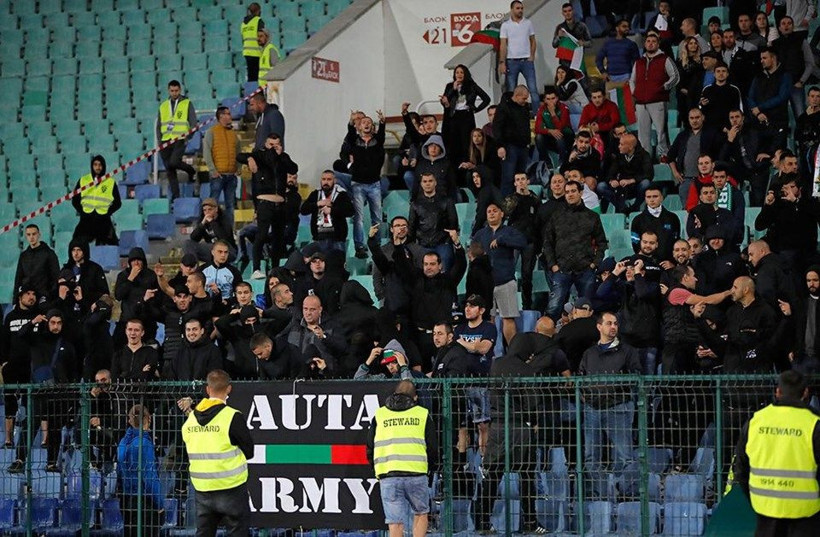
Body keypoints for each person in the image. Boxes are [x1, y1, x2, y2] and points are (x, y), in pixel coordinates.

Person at [733, 370, 820, 537]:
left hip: (765, 511)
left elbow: (741, 469)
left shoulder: (756, 421)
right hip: (806, 515)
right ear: (805, 393)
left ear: (778, 391)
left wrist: (757, 498)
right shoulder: (814, 424)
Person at [182, 370, 254, 537]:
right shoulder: (232, 416)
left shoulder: (191, 420)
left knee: (204, 533)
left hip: (203, 489)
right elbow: (249, 451)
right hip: (231, 487)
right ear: (229, 389)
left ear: (208, 389)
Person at [367, 380, 437, 537]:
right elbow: (432, 447)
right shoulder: (422, 414)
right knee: (421, 513)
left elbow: (370, 447)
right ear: (415, 397)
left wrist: (377, 470)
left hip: (388, 475)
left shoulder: (380, 415)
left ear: (394, 394)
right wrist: (429, 469)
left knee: (395, 522)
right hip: (417, 473)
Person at [577, 311, 640, 478]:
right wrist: (587, 398)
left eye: (615, 324)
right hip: (592, 409)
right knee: (591, 456)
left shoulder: (628, 351)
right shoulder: (589, 353)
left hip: (618, 407)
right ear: (599, 326)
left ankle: (625, 491)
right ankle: (597, 490)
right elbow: (581, 377)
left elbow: (636, 376)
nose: (613, 327)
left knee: (624, 455)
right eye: (609, 323)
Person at [543, 180, 609, 321]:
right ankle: (548, 333)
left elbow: (602, 243)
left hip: (586, 270)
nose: (570, 194)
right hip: (561, 270)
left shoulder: (592, 217)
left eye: (573, 191)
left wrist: (595, 264)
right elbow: (547, 243)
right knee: (553, 309)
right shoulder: (556, 216)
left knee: (587, 309)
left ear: (581, 193)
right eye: (567, 192)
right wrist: (553, 265)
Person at [473, 202, 528, 344]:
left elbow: (523, 242)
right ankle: (489, 352)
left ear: (502, 214)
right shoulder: (480, 234)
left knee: (508, 318)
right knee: (487, 319)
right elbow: (472, 254)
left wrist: (502, 240)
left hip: (505, 281)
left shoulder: (509, 231)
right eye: (489, 211)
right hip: (486, 283)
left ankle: (513, 351)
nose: (491, 213)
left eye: (495, 211)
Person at [631, 32, 680, 162]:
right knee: (643, 133)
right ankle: (645, 158)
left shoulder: (665, 59)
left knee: (661, 132)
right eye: (648, 41)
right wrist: (635, 92)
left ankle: (663, 156)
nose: (651, 43)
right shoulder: (639, 62)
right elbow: (632, 80)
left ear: (658, 44)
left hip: (658, 101)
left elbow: (675, 76)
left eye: (654, 41)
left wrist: (664, 87)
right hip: (640, 103)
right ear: (645, 44)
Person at [344, 111, 387, 259]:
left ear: (373, 127)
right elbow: (350, 134)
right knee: (359, 217)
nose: (366, 124)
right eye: (363, 122)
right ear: (359, 127)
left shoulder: (377, 141)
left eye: (369, 122)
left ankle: (377, 244)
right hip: (358, 184)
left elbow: (382, 134)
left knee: (377, 217)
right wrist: (351, 121)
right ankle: (359, 246)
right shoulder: (354, 141)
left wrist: (382, 122)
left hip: (374, 184)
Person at [118, 405, 164, 537]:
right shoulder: (144, 444)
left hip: (127, 500)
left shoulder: (123, 443)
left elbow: (119, 473)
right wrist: (160, 505)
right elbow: (150, 478)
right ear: (149, 419)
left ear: (130, 420)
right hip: (144, 502)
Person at [440, 64, 490, 167]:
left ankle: (467, 164)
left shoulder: (472, 85)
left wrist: (476, 109)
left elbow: (486, 99)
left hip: (466, 116)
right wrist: (454, 89)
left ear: (465, 74)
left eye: (461, 72)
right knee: (454, 142)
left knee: (466, 142)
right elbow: (445, 102)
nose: (459, 74)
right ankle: (455, 167)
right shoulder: (450, 86)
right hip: (453, 116)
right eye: (457, 72)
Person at [408, 173, 459, 272]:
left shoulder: (447, 201)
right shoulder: (415, 204)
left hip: (443, 244)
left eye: (430, 181)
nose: (428, 184)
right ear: (421, 184)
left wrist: (448, 240)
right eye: (425, 181)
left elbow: (453, 223)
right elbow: (412, 226)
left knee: (445, 274)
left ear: (435, 183)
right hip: (423, 245)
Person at [156, 80, 197, 200]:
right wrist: (159, 142)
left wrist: (188, 136)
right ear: (168, 91)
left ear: (180, 90)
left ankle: (191, 171)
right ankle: (176, 196)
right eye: (172, 91)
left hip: (180, 139)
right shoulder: (163, 105)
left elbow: (193, 122)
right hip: (165, 140)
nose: (174, 93)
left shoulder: (187, 103)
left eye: (176, 90)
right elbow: (159, 125)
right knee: (170, 170)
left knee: (174, 162)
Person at [499, 0, 539, 116]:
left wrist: (532, 56)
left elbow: (533, 41)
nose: (520, 10)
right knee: (511, 91)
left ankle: (537, 116)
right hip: (511, 61)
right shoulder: (505, 25)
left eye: (521, 8)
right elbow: (503, 45)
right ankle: (513, 115)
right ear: (512, 10)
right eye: (517, 8)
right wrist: (502, 62)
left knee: (533, 89)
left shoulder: (528, 23)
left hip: (527, 61)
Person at [203, 106, 241, 229]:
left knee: (230, 205)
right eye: (228, 114)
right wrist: (213, 170)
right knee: (212, 205)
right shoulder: (211, 132)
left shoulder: (233, 134)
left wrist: (238, 167)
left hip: (231, 175)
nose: (230, 116)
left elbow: (238, 152)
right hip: (218, 175)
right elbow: (207, 152)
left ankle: (229, 230)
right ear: (221, 116)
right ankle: (211, 228)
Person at [748, 47, 792, 151]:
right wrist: (758, 113)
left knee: (777, 154)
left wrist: (760, 108)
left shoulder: (785, 75)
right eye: (761, 58)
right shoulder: (758, 76)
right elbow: (750, 97)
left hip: (778, 122)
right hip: (760, 123)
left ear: (773, 58)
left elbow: (781, 97)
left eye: (764, 58)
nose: (761, 61)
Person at [300, 169, 355, 253]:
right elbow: (303, 210)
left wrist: (332, 210)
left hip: (337, 238)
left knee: (337, 261)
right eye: (323, 179)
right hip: (319, 237)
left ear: (334, 181)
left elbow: (350, 211)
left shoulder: (341, 194)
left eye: (329, 179)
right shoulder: (315, 193)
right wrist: (317, 204)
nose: (326, 182)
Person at [598, 132, 653, 213]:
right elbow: (611, 172)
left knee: (646, 183)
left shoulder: (644, 155)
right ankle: (621, 207)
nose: (619, 146)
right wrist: (612, 180)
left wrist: (632, 180)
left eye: (622, 144)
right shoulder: (619, 156)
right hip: (621, 187)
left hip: (636, 185)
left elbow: (648, 174)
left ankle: (635, 207)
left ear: (630, 147)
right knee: (601, 186)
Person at [72, 154, 120, 245]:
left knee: (111, 245)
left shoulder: (110, 182)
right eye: (95, 165)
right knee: (76, 243)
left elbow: (118, 203)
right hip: (86, 219)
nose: (98, 167)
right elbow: (75, 200)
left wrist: (108, 212)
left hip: (103, 219)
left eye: (100, 165)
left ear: (103, 166)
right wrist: (82, 212)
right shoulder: (83, 180)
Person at [772, 16, 814, 119]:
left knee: (800, 114)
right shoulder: (775, 44)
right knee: (780, 116)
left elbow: (810, 63)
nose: (786, 26)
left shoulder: (801, 41)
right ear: (779, 27)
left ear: (793, 26)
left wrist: (801, 81)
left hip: (796, 85)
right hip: (781, 85)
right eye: (783, 23)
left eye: (789, 23)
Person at [494, 85, 532, 196]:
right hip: (509, 146)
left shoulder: (524, 107)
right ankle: (506, 202)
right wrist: (500, 146)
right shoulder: (503, 107)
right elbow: (497, 127)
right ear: (517, 95)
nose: (526, 101)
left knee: (521, 178)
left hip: (523, 146)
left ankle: (521, 200)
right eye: (524, 98)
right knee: (508, 177)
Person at [630, 186, 680, 264]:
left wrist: (672, 262)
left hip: (668, 264)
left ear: (662, 198)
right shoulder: (637, 220)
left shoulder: (672, 218)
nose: (652, 200)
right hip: (646, 264)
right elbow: (635, 244)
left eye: (655, 196)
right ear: (645, 199)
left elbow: (676, 241)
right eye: (648, 197)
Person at [14, 223, 58, 303]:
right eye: (28, 234)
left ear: (39, 234)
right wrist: (15, 301)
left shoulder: (49, 253)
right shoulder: (24, 255)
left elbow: (55, 277)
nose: (31, 237)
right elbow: (18, 279)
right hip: (27, 299)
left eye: (34, 234)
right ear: (26, 236)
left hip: (43, 298)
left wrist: (50, 297)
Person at [186, 198, 237, 263]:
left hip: (228, 251)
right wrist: (202, 224)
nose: (207, 212)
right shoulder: (203, 220)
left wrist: (212, 222)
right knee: (188, 243)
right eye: (204, 210)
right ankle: (192, 266)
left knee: (215, 246)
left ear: (216, 209)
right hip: (211, 251)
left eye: (210, 209)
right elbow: (194, 238)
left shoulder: (224, 219)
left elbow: (224, 239)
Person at [596, 19, 640, 85]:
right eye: (624, 26)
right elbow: (598, 59)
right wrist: (603, 72)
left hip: (626, 77)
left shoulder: (631, 44)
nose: (627, 29)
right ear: (617, 28)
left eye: (628, 27)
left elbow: (637, 63)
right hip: (610, 77)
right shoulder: (608, 43)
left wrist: (633, 77)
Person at [535, 86, 574, 160]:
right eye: (548, 99)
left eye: (553, 98)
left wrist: (553, 113)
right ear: (544, 100)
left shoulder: (564, 108)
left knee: (558, 137)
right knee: (539, 137)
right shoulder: (541, 109)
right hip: (550, 136)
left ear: (557, 98)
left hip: (565, 136)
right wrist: (549, 131)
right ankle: (546, 161)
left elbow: (560, 128)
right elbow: (537, 129)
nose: (551, 101)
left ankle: (562, 161)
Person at [240, 2, 264, 81]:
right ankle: (256, 89)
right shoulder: (258, 21)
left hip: (247, 52)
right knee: (257, 76)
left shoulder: (243, 24)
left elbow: (243, 38)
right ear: (258, 11)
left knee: (250, 76)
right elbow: (262, 37)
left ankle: (250, 89)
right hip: (256, 52)